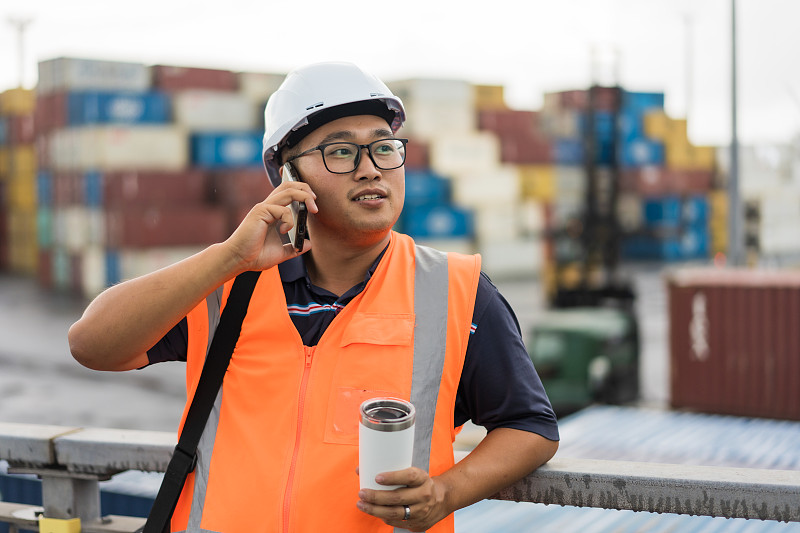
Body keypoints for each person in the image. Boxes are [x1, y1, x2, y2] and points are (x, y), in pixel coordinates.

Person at [69, 61, 559, 533]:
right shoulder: (228, 287)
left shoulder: (456, 291)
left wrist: (447, 493)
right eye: (341, 152)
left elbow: (529, 425)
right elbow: (92, 345)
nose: (371, 169)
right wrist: (228, 258)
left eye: (384, 148)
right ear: (288, 176)